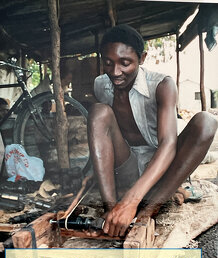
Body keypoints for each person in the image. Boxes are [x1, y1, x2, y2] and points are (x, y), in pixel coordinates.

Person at [87, 24, 217, 237]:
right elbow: (101, 133)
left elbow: (167, 144)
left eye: (125, 63)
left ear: (142, 58)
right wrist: (97, 179)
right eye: (108, 63)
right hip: (126, 168)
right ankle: (112, 211)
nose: (115, 72)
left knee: (207, 122)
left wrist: (131, 201)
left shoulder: (162, 85)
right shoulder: (100, 85)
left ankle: (150, 209)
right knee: (98, 111)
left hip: (162, 171)